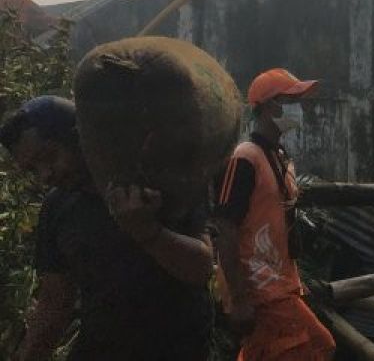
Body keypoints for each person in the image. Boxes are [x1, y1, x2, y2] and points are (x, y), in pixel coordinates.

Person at [1, 95, 214, 361]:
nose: (45, 174)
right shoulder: (57, 208)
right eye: (33, 169)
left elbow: (200, 269)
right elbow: (54, 304)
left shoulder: (157, 181)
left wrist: (146, 231)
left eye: (49, 156)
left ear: (78, 136)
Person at [213, 69, 335, 361]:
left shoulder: (280, 158)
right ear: (269, 106)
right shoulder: (245, 158)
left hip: (281, 282)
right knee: (318, 347)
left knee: (269, 352)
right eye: (291, 99)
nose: (299, 107)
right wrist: (239, 298)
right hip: (258, 285)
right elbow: (225, 226)